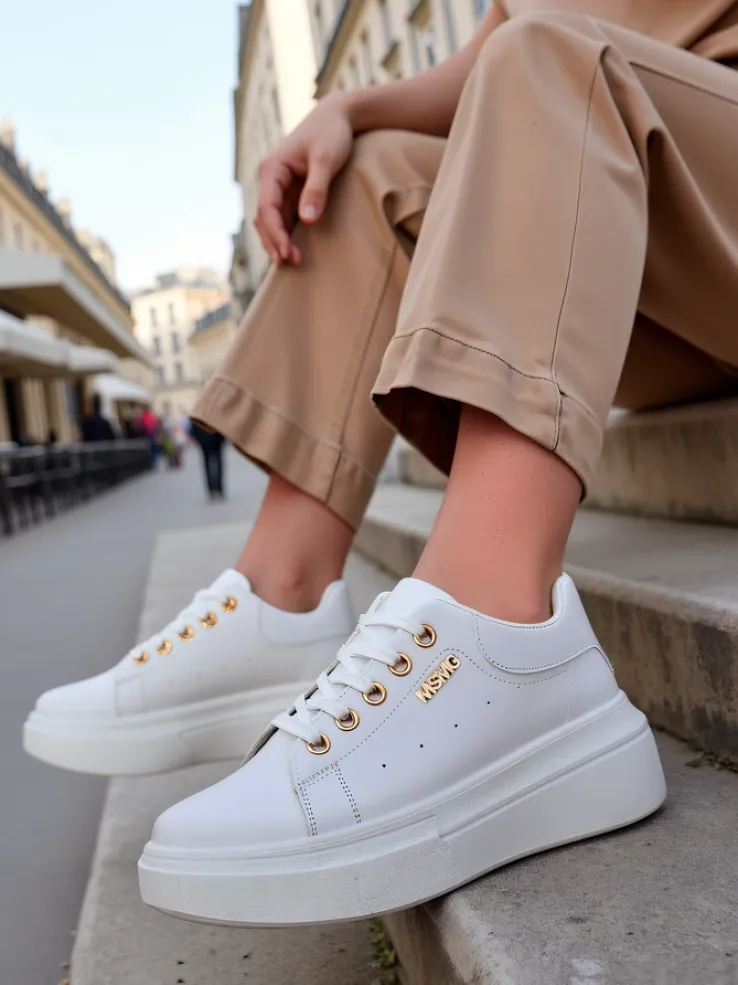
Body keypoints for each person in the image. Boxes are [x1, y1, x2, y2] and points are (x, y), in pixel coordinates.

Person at [24, 0, 738, 926]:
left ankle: (499, 629)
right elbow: (488, 57)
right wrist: (347, 108)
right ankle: (282, 596)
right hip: (642, 265)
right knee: (363, 171)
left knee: (548, 58)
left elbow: (538, 53)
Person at [190, 420, 226, 499]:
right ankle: (218, 488)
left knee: (208, 462)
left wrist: (193, 433)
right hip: (214, 435)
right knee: (217, 462)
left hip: (206, 436)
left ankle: (212, 488)